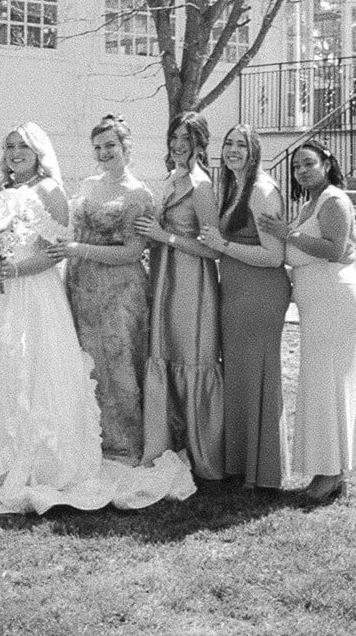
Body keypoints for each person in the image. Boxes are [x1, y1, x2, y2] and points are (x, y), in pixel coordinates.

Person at [0, 123, 196, 513]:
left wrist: (16, 270)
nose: (16, 152)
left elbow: (56, 250)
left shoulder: (51, 191)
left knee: (31, 371)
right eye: (10, 146)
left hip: (33, 291)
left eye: (24, 146)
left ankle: (41, 459)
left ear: (39, 152)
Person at [257, 140, 356, 502]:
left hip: (334, 301)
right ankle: (329, 469)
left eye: (309, 164)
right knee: (322, 382)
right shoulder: (312, 203)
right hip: (318, 302)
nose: (302, 171)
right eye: (296, 167)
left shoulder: (333, 200)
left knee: (328, 383)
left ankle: (331, 473)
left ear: (326, 164)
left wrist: (286, 234)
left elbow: (336, 250)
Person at [47, 115, 155, 464]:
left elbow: (134, 251)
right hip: (80, 286)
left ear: (126, 147)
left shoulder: (138, 193)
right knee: (85, 362)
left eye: (110, 145)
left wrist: (82, 251)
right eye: (98, 147)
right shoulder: (90, 184)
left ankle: (123, 443)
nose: (104, 152)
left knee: (118, 362)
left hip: (119, 290)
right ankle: (89, 438)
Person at [134, 111, 225, 482]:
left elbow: (214, 249)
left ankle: (204, 453)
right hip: (164, 275)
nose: (177, 145)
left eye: (186, 139)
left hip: (192, 283)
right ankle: (164, 444)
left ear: (199, 144)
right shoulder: (173, 178)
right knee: (164, 354)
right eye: (174, 137)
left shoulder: (201, 187)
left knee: (190, 357)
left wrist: (165, 237)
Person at [200, 124, 291, 492]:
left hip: (260, 294)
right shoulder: (236, 188)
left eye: (242, 144)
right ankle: (242, 467)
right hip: (236, 292)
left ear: (255, 151)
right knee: (240, 377)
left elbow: (273, 256)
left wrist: (223, 245)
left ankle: (264, 472)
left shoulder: (260, 191)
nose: (233, 149)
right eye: (229, 143)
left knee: (258, 378)